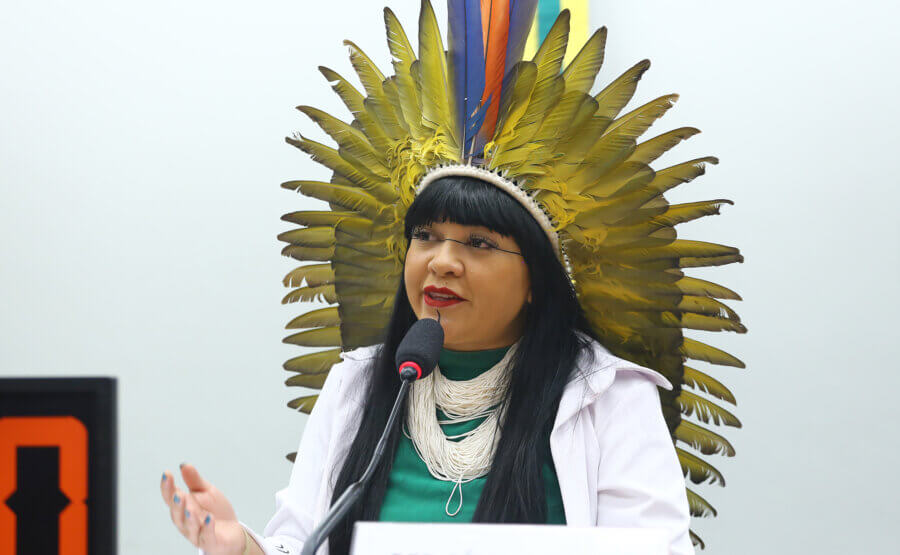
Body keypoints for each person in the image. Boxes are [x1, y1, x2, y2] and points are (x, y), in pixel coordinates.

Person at [161, 2, 744, 553]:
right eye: (426, 237)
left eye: (479, 244)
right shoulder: (360, 386)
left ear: (538, 278)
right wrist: (243, 545)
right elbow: (304, 540)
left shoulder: (607, 398)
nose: (441, 261)